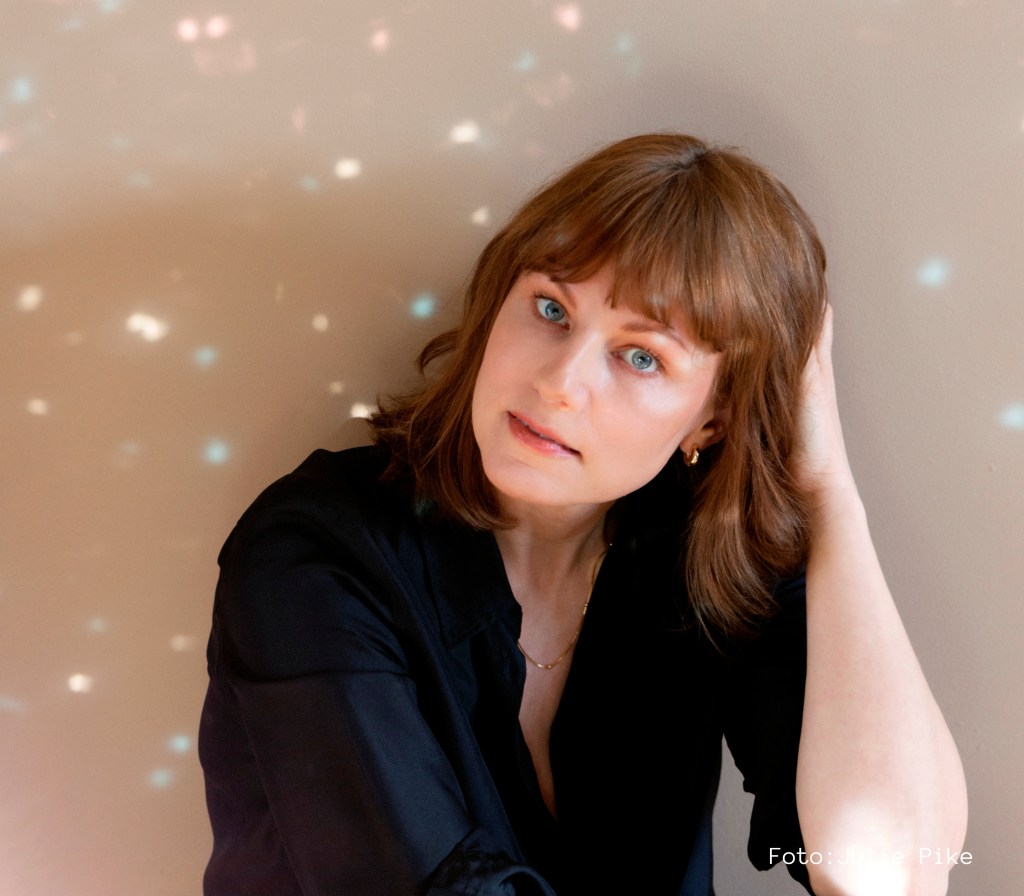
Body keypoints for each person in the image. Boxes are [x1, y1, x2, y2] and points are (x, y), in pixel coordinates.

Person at [198, 133, 967, 895]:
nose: (560, 383)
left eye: (642, 356)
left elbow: (890, 875)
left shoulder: (701, 558)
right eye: (550, 308)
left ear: (713, 420)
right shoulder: (313, 557)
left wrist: (828, 492)